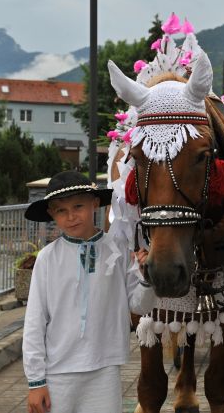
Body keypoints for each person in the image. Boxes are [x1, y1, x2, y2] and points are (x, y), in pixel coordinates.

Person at [22, 171, 156, 413]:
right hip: (57, 372)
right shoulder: (47, 259)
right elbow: (34, 321)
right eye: (61, 210)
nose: (71, 216)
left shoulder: (118, 250)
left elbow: (140, 306)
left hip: (104, 369)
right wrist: (35, 381)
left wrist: (148, 279)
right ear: (52, 214)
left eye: (78, 206)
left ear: (95, 204)